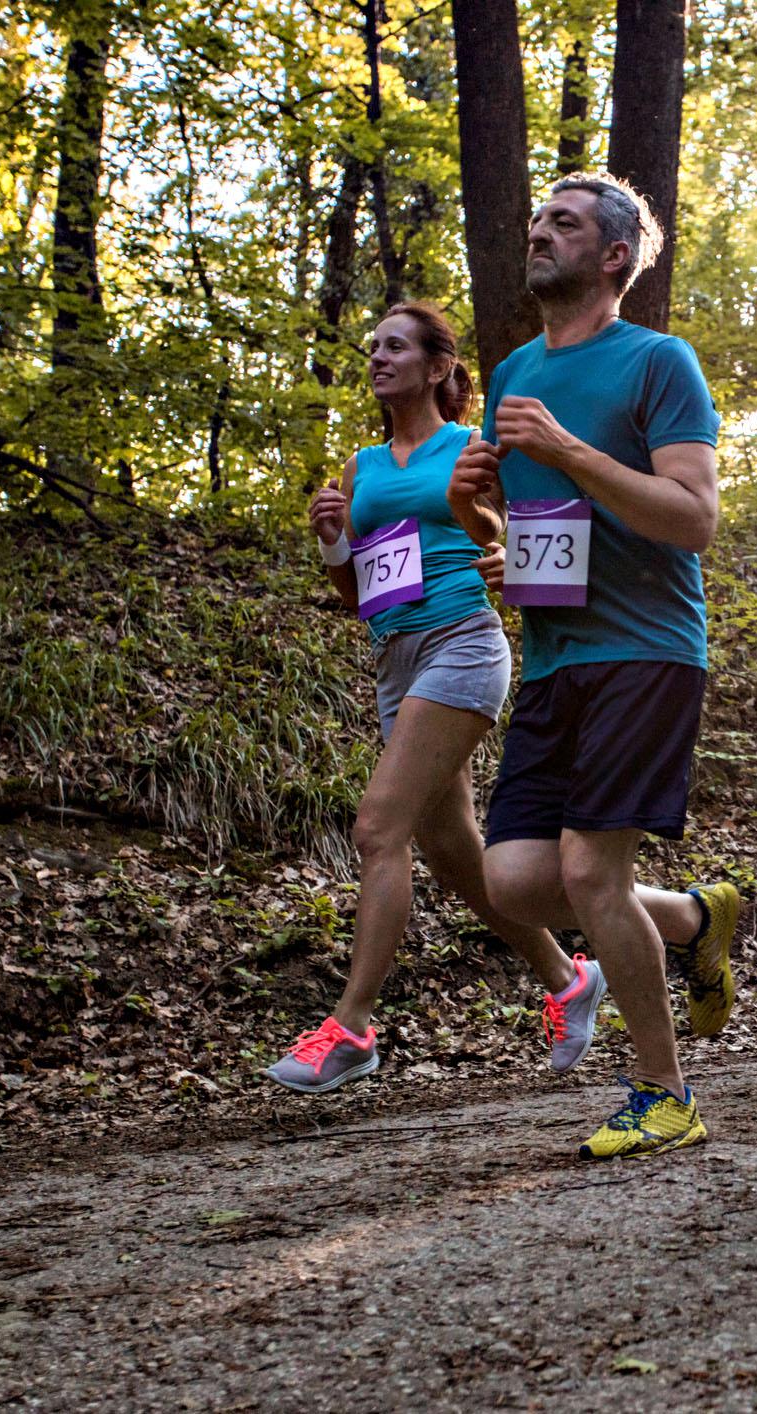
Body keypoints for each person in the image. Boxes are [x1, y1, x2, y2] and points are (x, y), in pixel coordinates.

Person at [447, 173, 742, 1161]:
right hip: (554, 656)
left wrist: (569, 449)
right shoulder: (512, 371)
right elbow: (528, 537)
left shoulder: (660, 362)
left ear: (613, 256)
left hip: (646, 647)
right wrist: (474, 515)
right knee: (520, 879)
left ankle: (665, 1092)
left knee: (586, 867)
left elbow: (692, 518)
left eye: (562, 224)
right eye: (535, 220)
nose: (538, 233)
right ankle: (695, 918)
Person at [273, 303, 595, 1093]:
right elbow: (359, 593)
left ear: (438, 366)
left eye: (394, 346)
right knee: (458, 857)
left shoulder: (470, 446)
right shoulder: (361, 465)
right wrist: (329, 541)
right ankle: (568, 978)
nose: (377, 357)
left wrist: (508, 555)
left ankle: (351, 1028)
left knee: (378, 827)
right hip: (395, 659)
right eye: (372, 347)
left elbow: (530, 538)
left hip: (462, 642)